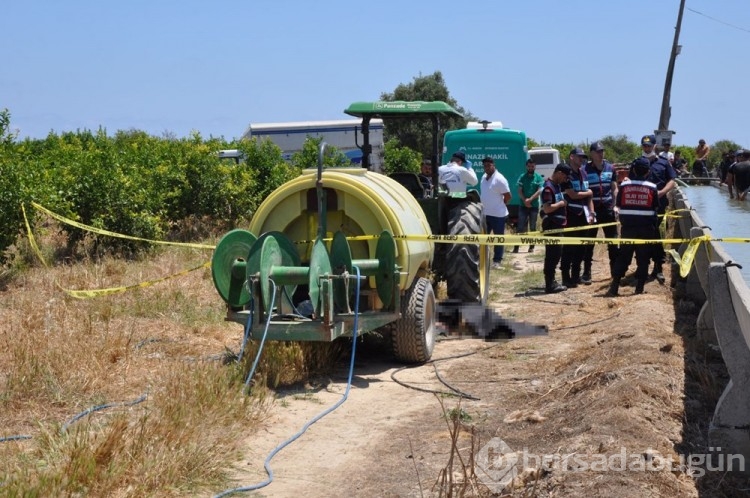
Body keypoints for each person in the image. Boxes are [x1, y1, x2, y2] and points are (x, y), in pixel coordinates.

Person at [606, 157, 660, 297]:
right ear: (648, 172)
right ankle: (639, 288)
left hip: (628, 229)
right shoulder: (652, 188)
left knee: (623, 256)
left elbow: (619, 205)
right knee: (643, 258)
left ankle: (614, 287)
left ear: (633, 170)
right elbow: (655, 208)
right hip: (646, 229)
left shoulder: (624, 186)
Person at [632, 134, 676, 285]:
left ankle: (658, 268)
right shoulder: (636, 163)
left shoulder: (664, 163)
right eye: (644, 146)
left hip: (658, 205)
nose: (647, 148)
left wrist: (663, 192)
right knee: (640, 237)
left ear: (654, 146)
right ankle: (641, 267)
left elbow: (672, 180)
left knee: (657, 236)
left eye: (649, 146)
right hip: (640, 208)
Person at [582, 141, 619, 281]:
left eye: (602, 151)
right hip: (593, 211)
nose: (601, 153)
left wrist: (616, 205)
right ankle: (586, 273)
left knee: (613, 242)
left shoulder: (610, 168)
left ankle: (615, 272)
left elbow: (614, 187)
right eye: (598, 151)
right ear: (591, 153)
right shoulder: (585, 170)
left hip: (608, 209)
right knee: (588, 243)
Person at [560, 147, 595, 288]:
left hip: (584, 216)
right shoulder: (566, 174)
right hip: (571, 215)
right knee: (569, 247)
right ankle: (565, 277)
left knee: (582, 247)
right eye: (579, 157)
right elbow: (572, 194)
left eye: (583, 157)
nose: (582, 159)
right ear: (572, 157)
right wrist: (588, 193)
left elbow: (589, 197)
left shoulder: (584, 173)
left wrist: (592, 213)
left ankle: (576, 276)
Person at [541, 163, 571, 293]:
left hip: (558, 225)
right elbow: (547, 209)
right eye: (565, 176)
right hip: (552, 225)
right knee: (552, 255)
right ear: (559, 173)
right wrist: (560, 204)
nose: (566, 179)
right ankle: (550, 284)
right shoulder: (549, 188)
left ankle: (552, 281)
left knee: (556, 254)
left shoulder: (556, 186)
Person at [480, 157, 511, 269]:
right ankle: (482, 259)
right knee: (483, 238)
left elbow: (508, 196)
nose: (487, 167)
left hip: (498, 215)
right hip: (485, 214)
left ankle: (497, 261)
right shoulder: (483, 177)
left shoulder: (500, 179)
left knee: (498, 239)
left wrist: (501, 203)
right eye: (485, 166)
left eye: (489, 165)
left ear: (494, 165)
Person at [513, 158, 544, 254]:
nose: (531, 167)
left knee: (533, 227)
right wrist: (525, 200)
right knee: (520, 227)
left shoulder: (538, 177)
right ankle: (516, 247)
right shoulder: (522, 177)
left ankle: (531, 247)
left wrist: (530, 199)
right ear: (526, 166)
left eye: (532, 166)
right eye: (529, 166)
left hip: (534, 206)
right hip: (523, 206)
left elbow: (539, 191)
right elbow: (519, 190)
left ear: (535, 166)